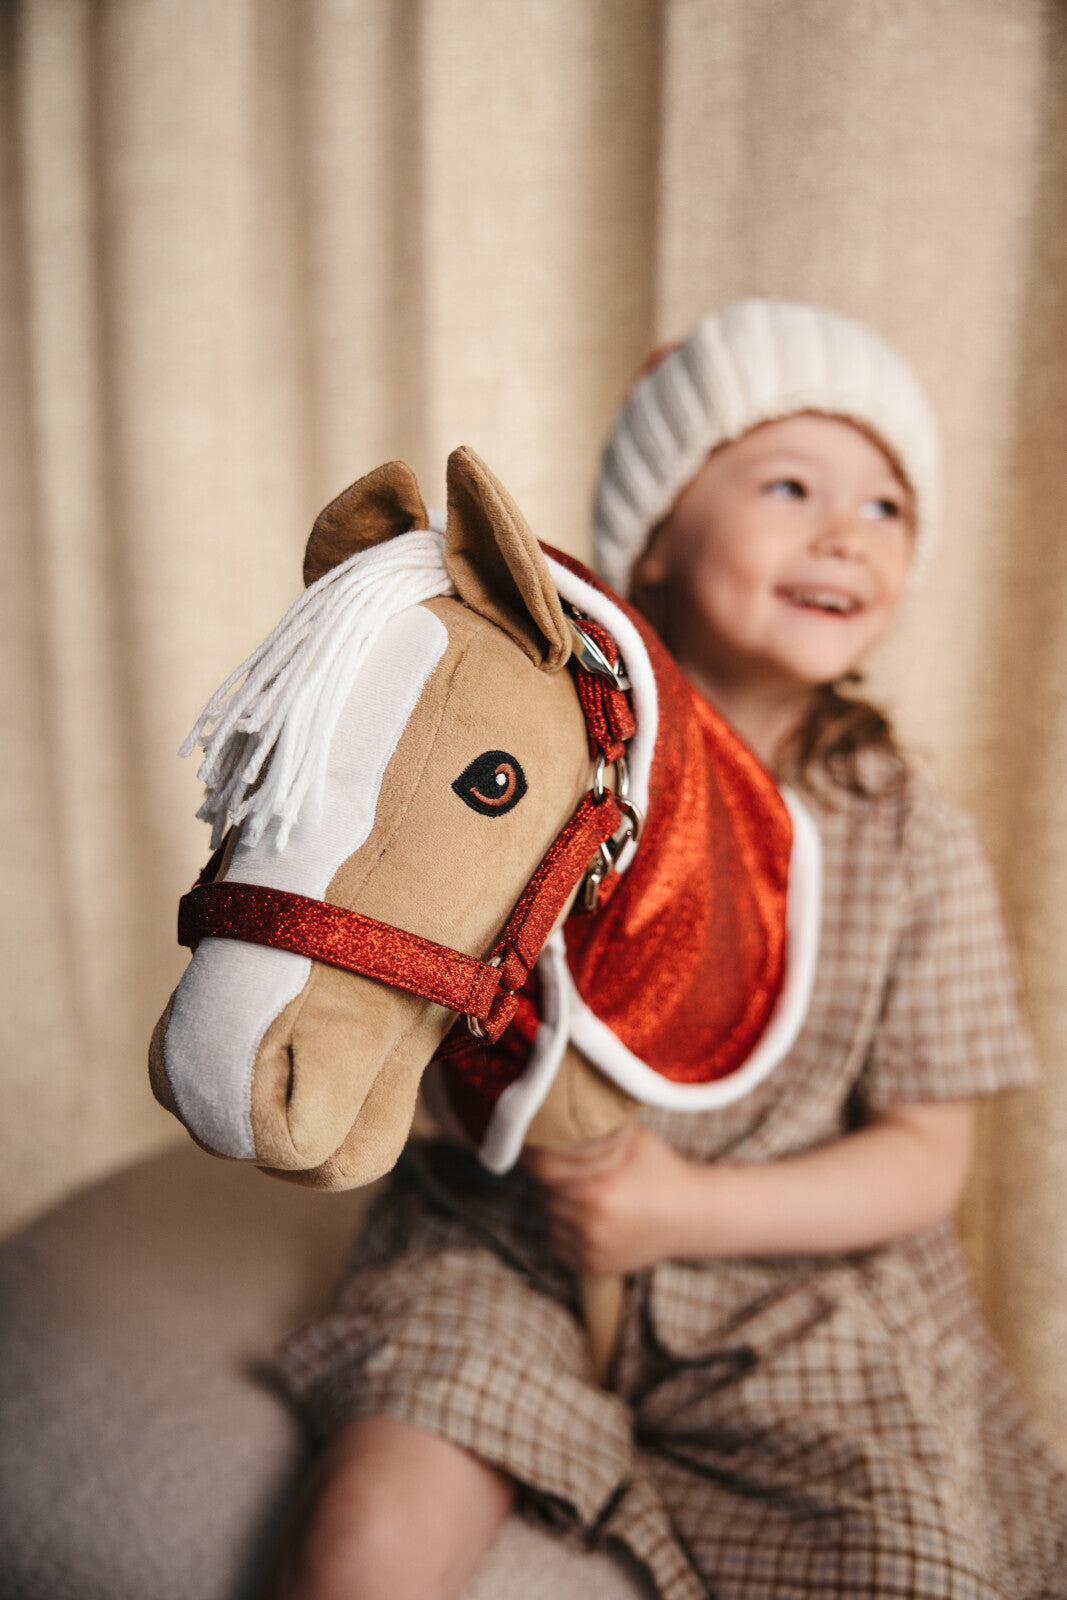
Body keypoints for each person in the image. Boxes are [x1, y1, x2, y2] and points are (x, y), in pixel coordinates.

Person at [267, 300, 1067, 1599]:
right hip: (508, 1242)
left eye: (886, 507)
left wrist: (687, 1211)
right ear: (652, 536)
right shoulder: (520, 762)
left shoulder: (911, 835)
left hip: (788, 1289)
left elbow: (930, 1157)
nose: (842, 534)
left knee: (912, 1557)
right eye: (791, 483)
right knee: (359, 1545)